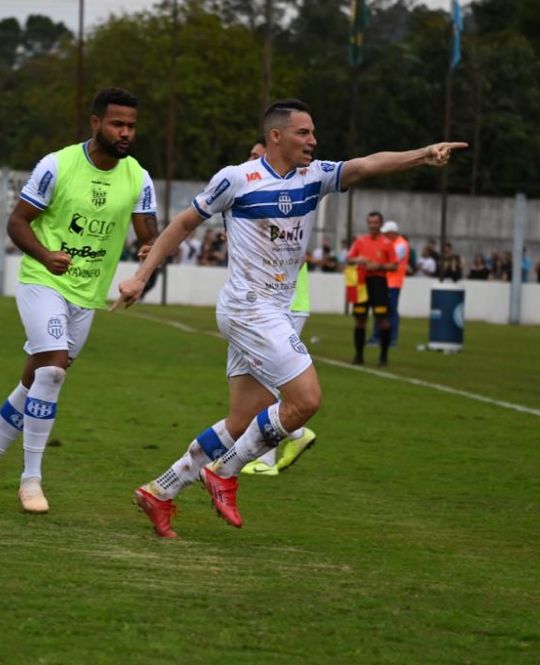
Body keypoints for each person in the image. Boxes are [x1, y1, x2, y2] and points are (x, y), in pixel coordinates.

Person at [114, 98, 465, 538]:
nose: (313, 141)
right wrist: (141, 276)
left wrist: (423, 153)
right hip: (249, 307)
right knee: (306, 400)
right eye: (304, 133)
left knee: (242, 422)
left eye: (314, 133)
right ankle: (225, 473)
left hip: (270, 310)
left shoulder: (313, 177)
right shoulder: (237, 179)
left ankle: (160, 491)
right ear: (275, 136)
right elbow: (183, 223)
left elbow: (367, 165)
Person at [0, 87, 158, 513]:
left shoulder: (138, 177)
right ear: (95, 123)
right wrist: (45, 255)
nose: (125, 133)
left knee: (36, 380)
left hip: (86, 295)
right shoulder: (57, 165)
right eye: (117, 124)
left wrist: (143, 268)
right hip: (41, 282)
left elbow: (149, 238)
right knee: (52, 368)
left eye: (131, 126)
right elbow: (17, 222)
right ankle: (31, 480)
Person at [238, 140, 316, 477]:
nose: (253, 162)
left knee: (270, 382)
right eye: (251, 157)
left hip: (286, 305)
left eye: (258, 156)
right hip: (259, 307)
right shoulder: (251, 198)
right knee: (259, 380)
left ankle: (267, 457)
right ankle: (296, 433)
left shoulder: (292, 201)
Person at [348, 212, 397, 366]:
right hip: (361, 283)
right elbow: (348, 260)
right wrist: (358, 260)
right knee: (360, 319)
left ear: (381, 225)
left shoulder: (387, 243)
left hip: (378, 282)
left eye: (375, 222)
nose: (372, 225)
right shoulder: (360, 241)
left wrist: (379, 266)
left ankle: (383, 357)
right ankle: (359, 356)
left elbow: (394, 265)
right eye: (370, 222)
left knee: (383, 320)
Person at [366, 220, 408, 347]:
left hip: (393, 282)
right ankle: (378, 337)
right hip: (386, 281)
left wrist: (377, 263)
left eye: (386, 233)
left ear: (393, 233)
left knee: (390, 311)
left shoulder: (400, 244)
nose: (383, 235)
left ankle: (390, 339)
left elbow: (391, 260)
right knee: (382, 310)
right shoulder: (391, 243)